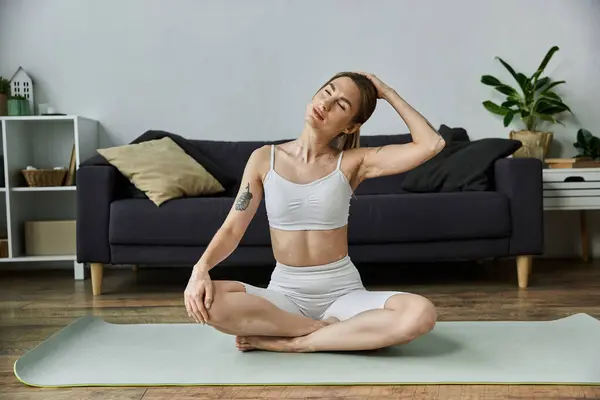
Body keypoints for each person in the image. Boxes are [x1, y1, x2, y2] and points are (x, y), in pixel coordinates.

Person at [184, 71, 446, 353]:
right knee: (208, 302)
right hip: (284, 296)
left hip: (343, 295)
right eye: (327, 92)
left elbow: (432, 144)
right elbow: (233, 227)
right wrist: (200, 269)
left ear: (350, 127)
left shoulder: (353, 163)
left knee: (420, 313)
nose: (328, 103)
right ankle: (322, 332)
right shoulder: (264, 158)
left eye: (342, 105)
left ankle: (295, 344)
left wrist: (387, 92)